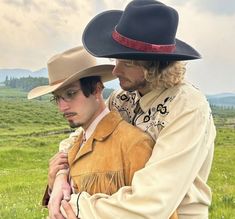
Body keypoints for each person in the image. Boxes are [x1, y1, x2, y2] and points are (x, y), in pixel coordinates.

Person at [49, 0, 216, 218]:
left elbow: (153, 202)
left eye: (127, 62)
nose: (115, 70)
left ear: (152, 66)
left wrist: (77, 205)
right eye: (115, 58)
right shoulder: (123, 98)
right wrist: (62, 174)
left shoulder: (188, 108)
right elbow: (85, 136)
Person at [28, 46, 178, 219]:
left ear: (97, 89)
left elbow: (157, 211)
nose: (62, 107)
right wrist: (56, 181)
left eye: (71, 94)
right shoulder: (73, 145)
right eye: (57, 98)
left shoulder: (134, 144)